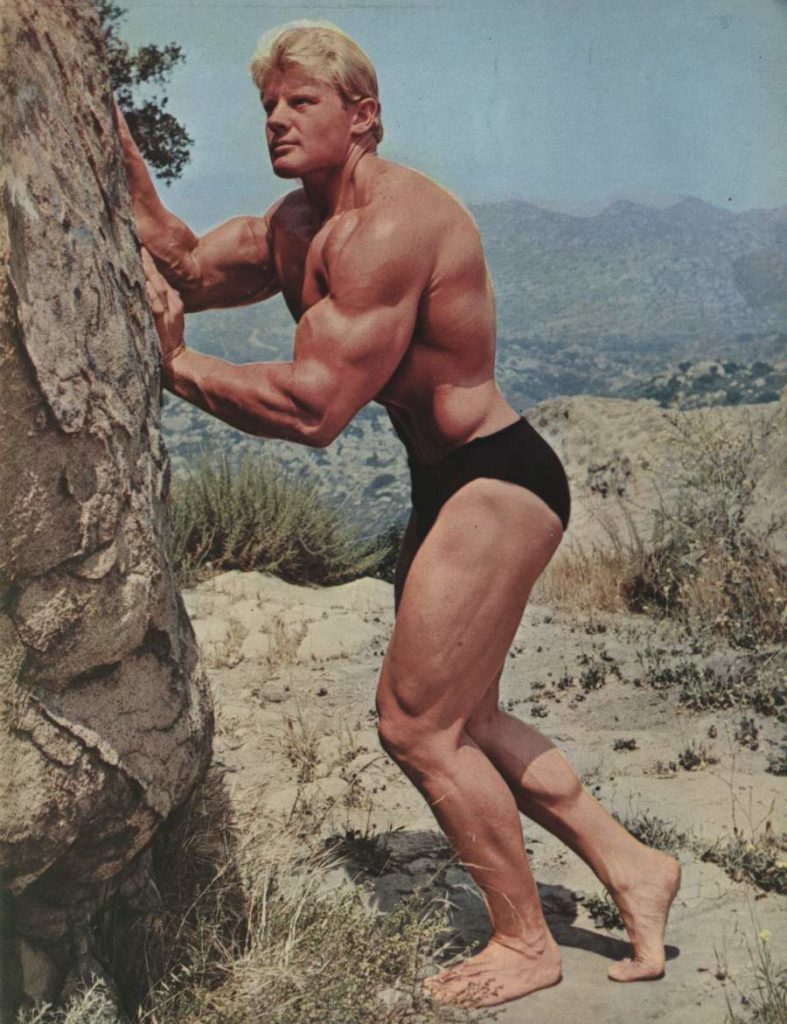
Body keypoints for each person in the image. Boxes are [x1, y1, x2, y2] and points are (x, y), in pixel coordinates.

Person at [117, 21, 680, 1008]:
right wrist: (107, 134)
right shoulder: (294, 226)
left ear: (363, 116)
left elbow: (314, 409)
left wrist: (179, 368)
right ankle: (636, 868)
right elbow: (187, 267)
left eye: (302, 102)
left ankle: (525, 941)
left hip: (498, 480)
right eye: (268, 106)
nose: (277, 120)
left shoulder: (389, 228)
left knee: (417, 726)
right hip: (444, 480)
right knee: (468, 718)